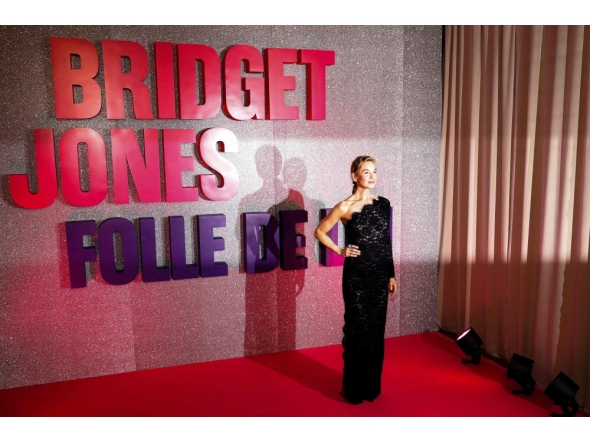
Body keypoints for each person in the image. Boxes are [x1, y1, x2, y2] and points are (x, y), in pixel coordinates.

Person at [314, 155, 397, 404]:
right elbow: (320, 231)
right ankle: (354, 389)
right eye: (366, 172)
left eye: (375, 172)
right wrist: (340, 250)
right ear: (354, 176)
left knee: (375, 332)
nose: (372, 176)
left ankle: (370, 386)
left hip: (380, 275)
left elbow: (385, 242)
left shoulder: (383, 204)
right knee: (358, 331)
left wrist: (391, 273)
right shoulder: (344, 207)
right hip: (357, 277)